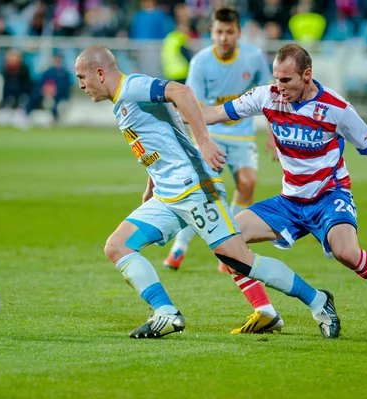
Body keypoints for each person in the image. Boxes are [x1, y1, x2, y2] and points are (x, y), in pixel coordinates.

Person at [74, 45, 341, 339]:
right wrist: (151, 184)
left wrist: (202, 141)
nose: (81, 85)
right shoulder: (122, 100)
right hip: (166, 195)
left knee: (238, 259)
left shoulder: (133, 86)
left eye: (82, 77)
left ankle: (318, 301)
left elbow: (183, 93)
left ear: (100, 73)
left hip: (195, 189)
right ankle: (165, 313)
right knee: (117, 246)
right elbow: (161, 141)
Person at [198, 43, 367, 339]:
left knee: (347, 253)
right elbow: (212, 114)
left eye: (286, 80)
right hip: (290, 201)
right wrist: (169, 105)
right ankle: (265, 312)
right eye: (276, 78)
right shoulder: (267, 97)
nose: (279, 86)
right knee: (225, 240)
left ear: (307, 75)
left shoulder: (336, 108)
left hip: (329, 197)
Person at [162, 7, 283, 334]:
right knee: (205, 194)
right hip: (213, 137)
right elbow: (191, 105)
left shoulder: (254, 57)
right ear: (212, 33)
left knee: (248, 184)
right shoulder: (201, 61)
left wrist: (275, 134)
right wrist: (196, 141)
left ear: (238, 32)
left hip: (242, 136)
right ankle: (180, 248)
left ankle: (228, 246)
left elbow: (272, 96)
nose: (223, 38)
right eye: (218, 32)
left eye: (229, 32)